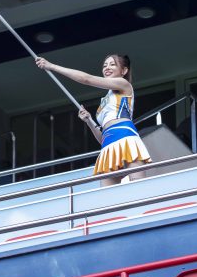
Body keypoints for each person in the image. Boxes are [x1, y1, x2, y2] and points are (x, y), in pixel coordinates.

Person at [35, 54, 151, 186]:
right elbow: (103, 137)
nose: (107, 67)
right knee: (107, 197)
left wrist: (51, 66)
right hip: (108, 145)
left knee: (139, 187)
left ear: (124, 71)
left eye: (112, 64)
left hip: (125, 138)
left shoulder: (124, 84)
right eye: (105, 65)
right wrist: (89, 121)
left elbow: (86, 79)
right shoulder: (105, 101)